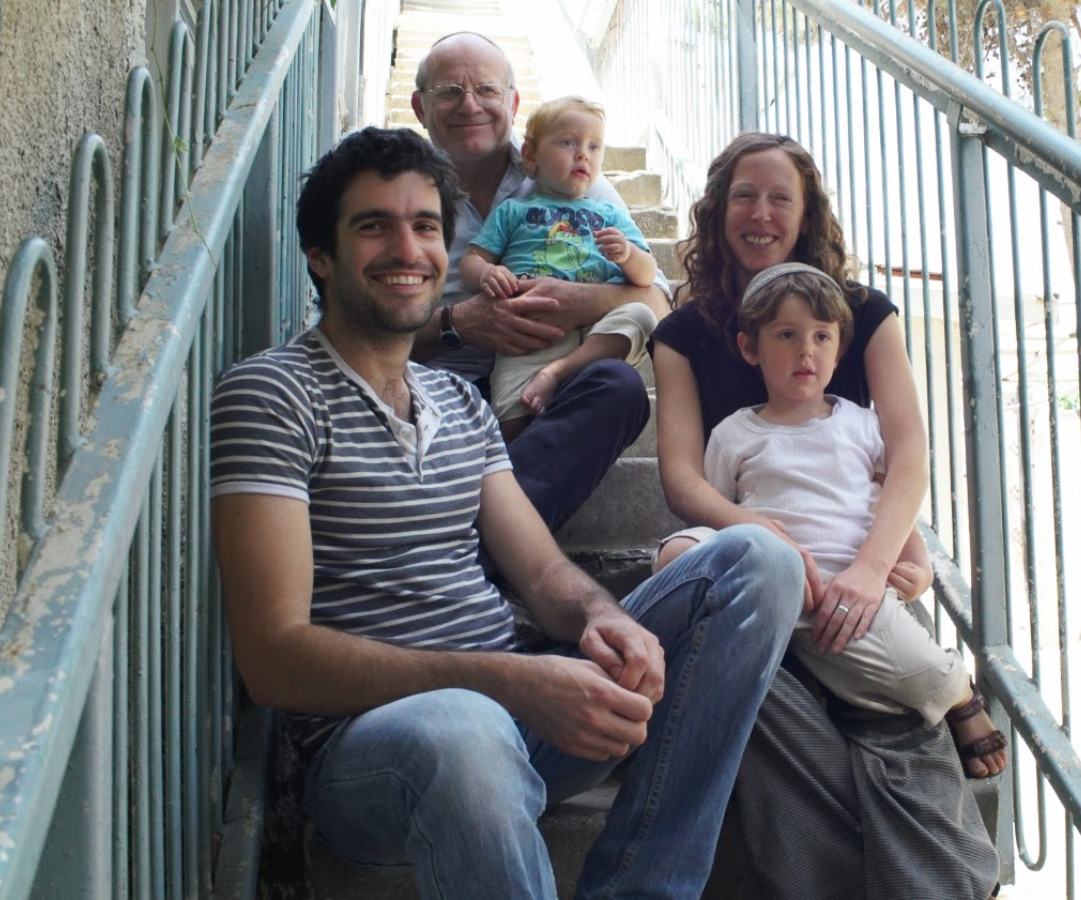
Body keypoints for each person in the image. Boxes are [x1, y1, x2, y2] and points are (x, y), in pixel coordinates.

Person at [209, 126, 803, 899]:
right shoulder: (271, 394)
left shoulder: (457, 400)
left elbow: (543, 571)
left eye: (425, 226)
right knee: (464, 726)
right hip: (379, 757)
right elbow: (273, 658)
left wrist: (601, 617)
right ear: (321, 255)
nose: (408, 248)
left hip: (524, 720)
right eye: (373, 226)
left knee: (760, 561)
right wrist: (512, 683)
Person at [650, 132, 1002, 898]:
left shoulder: (862, 313)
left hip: (850, 560)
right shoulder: (681, 332)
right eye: (744, 195)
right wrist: (752, 535)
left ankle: (913, 736)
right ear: (718, 210)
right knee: (696, 591)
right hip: (752, 541)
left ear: (807, 211)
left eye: (781, 197)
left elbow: (901, 452)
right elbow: (682, 476)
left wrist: (879, 563)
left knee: (849, 665)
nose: (761, 213)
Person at [705, 262, 1009, 778]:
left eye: (822, 336)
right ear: (750, 347)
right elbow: (717, 516)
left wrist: (915, 563)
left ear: (839, 350)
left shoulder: (860, 424)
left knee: (919, 672)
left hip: (851, 592)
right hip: (775, 587)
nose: (806, 350)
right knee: (680, 553)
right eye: (787, 335)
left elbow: (888, 494)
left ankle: (958, 694)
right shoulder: (735, 435)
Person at [408, 32, 671, 531]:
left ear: (513, 101)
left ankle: (487, 544)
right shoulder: (400, 184)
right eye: (449, 92)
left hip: (552, 371)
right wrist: (457, 323)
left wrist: (579, 300)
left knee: (618, 387)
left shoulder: (577, 179)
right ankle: (495, 550)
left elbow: (657, 305)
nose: (470, 105)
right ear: (420, 107)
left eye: (486, 90)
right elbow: (353, 325)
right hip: (438, 379)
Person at [461, 95, 658, 442]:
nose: (583, 154)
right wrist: (487, 274)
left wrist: (627, 254)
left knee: (641, 316)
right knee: (510, 418)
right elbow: (472, 260)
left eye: (594, 146)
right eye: (568, 142)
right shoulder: (514, 211)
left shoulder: (610, 214)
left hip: (595, 332)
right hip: (531, 331)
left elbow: (645, 277)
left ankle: (559, 372)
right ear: (531, 156)